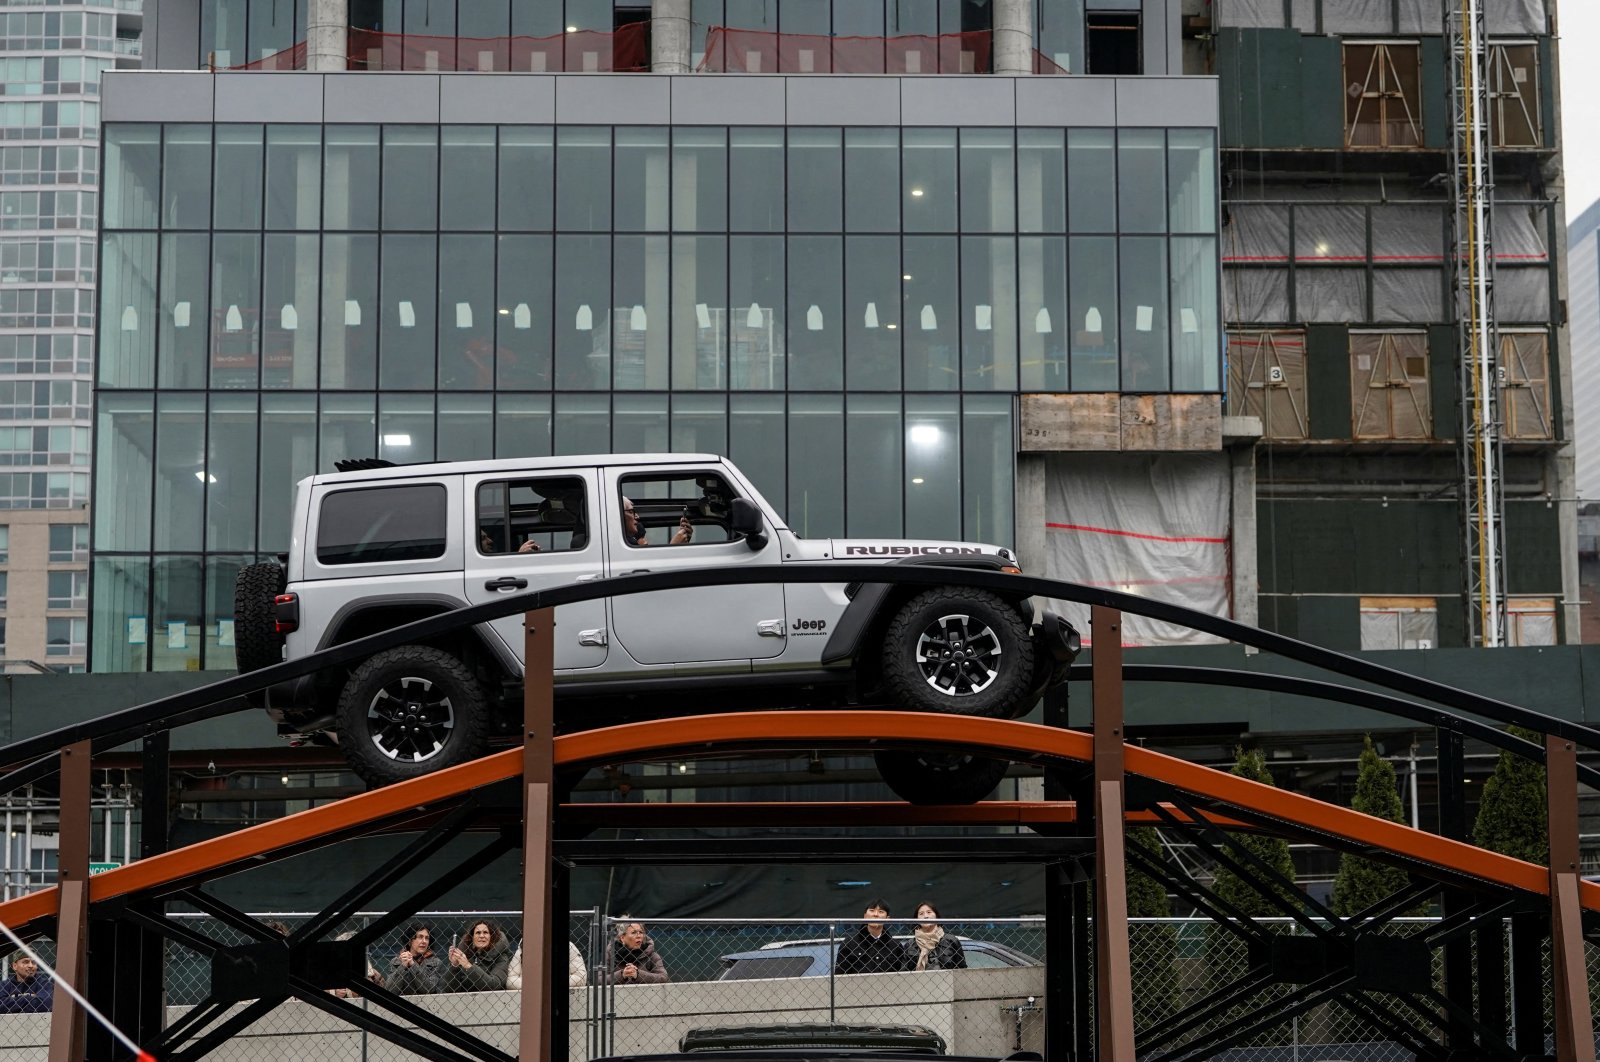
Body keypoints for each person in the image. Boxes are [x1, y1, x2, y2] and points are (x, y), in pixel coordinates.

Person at [835, 899, 907, 975]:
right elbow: (839, 975)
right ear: (865, 916)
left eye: (881, 912)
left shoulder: (895, 946)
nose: (875, 914)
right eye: (872, 910)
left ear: (887, 918)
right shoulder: (849, 943)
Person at [440, 920, 512, 992]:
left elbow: (494, 984)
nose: (481, 936)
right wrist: (454, 965)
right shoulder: (465, 956)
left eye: (485, 932)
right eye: (478, 933)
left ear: (492, 937)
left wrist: (469, 966)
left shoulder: (501, 957)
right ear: (472, 938)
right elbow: (447, 989)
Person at [602, 920, 669, 984]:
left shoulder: (651, 955)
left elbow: (663, 977)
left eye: (641, 932)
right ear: (622, 938)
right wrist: (622, 975)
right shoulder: (610, 954)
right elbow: (599, 979)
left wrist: (638, 974)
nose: (639, 936)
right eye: (634, 932)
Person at [904, 902, 966, 971]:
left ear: (936, 916)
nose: (925, 916)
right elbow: (904, 972)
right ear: (916, 920)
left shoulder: (951, 941)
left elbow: (962, 970)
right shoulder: (910, 944)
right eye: (921, 914)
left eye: (929, 912)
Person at [387, 923, 443, 995]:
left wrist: (413, 964)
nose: (424, 941)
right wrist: (402, 966)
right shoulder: (396, 961)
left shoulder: (435, 962)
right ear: (410, 940)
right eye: (420, 937)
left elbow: (429, 989)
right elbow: (390, 990)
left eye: (427, 938)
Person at [507, 940, 587, 989]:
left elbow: (580, 977)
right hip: (528, 996)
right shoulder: (523, 948)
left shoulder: (569, 947)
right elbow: (511, 980)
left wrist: (555, 983)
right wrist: (533, 985)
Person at [621, 497, 692, 547]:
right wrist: (674, 547)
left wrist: (681, 542)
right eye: (631, 511)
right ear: (619, 514)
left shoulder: (627, 543)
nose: (637, 516)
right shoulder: (625, 546)